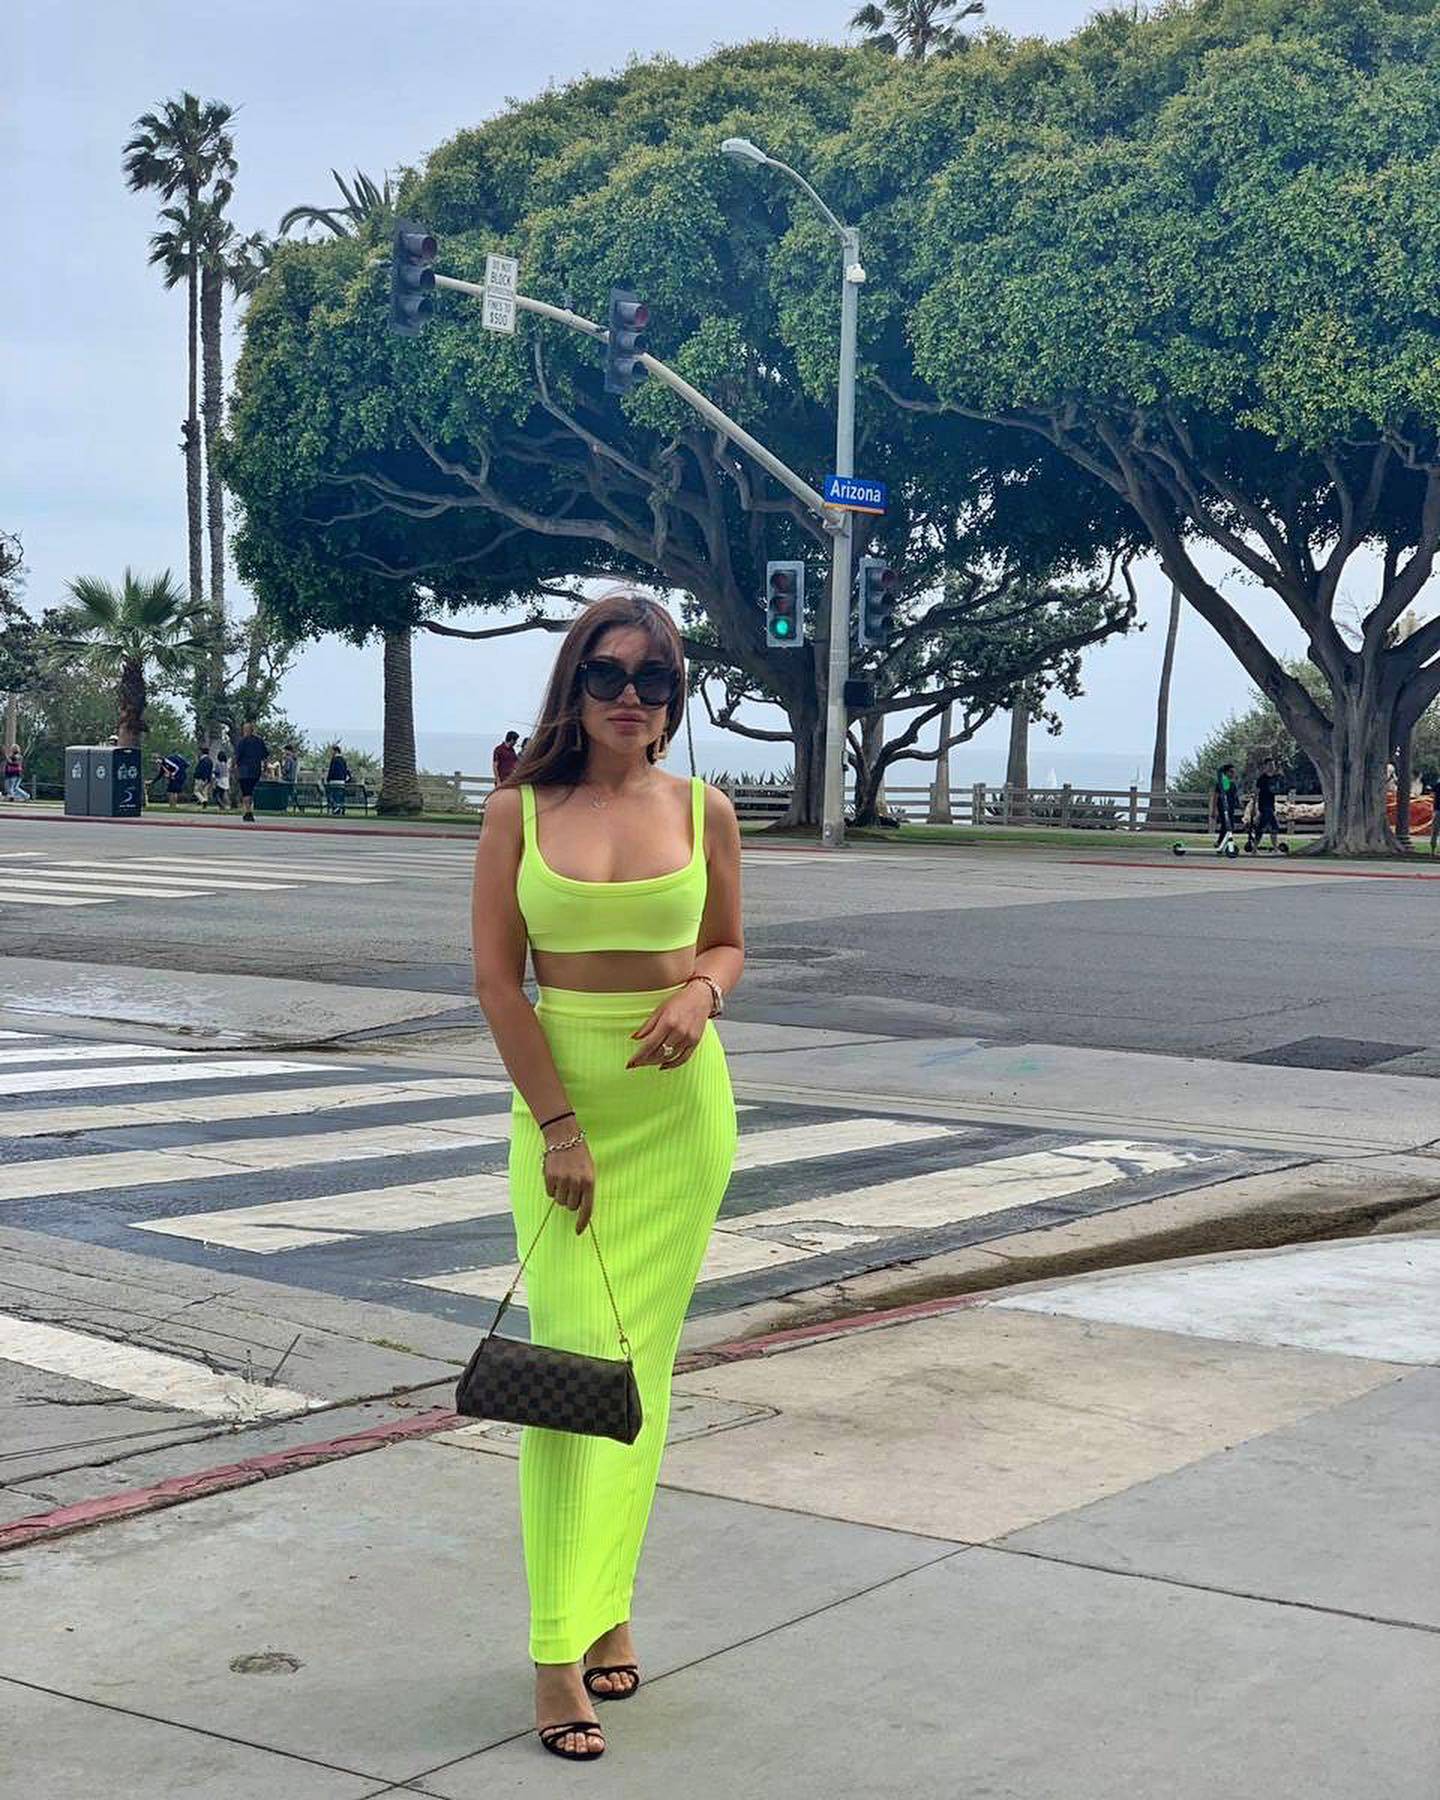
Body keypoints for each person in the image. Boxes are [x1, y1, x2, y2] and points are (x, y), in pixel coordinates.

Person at [470, 592, 742, 1765]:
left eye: (655, 678)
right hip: (566, 1109)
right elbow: (499, 983)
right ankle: (553, 1651)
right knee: (566, 1379)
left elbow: (727, 941)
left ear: (676, 698)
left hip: (682, 1118)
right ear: (574, 687)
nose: (632, 696)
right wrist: (560, 1127)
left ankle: (609, 1607)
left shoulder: (705, 808)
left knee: (642, 1376)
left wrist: (701, 994)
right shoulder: (517, 814)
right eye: (609, 674)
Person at [234, 720, 269, 823]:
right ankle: (249, 810)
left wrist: (234, 768)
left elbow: (237, 756)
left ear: (245, 730)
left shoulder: (242, 742)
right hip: (255, 770)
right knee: (251, 791)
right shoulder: (259, 741)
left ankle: (248, 812)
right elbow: (265, 756)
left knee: (246, 792)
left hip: (244, 770)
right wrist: (265, 768)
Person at [1249, 758, 1281, 850]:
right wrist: (1253, 806)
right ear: (1265, 766)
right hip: (1264, 806)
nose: (1272, 767)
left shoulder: (1275, 778)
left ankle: (1256, 848)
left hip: (1271, 805)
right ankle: (1274, 848)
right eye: (1270, 765)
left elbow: (1275, 791)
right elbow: (1256, 793)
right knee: (1274, 826)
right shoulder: (1262, 779)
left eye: (1273, 765)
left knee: (1263, 827)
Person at [1212, 762, 1241, 850]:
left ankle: (1222, 843)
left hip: (1231, 808)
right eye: (1231, 772)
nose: (1233, 774)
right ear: (1226, 772)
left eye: (1234, 772)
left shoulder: (1233, 785)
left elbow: (1235, 797)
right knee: (1226, 825)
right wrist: (1214, 810)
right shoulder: (1222, 783)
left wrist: (1239, 805)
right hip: (1223, 808)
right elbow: (1216, 796)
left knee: (1230, 826)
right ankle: (1221, 842)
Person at [325, 745, 351, 814]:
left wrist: (328, 779)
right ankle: (339, 807)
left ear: (336, 751)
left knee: (333, 795)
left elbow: (331, 771)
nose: (331, 753)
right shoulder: (343, 760)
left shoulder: (334, 760)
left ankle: (336, 808)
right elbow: (347, 771)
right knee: (339, 795)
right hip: (342, 781)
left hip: (334, 781)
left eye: (332, 751)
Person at [211, 746, 232, 810]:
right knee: (222, 793)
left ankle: (222, 805)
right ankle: (226, 805)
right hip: (226, 780)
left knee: (215, 794)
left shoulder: (218, 764)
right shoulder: (226, 764)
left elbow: (217, 772)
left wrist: (213, 772)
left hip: (220, 780)